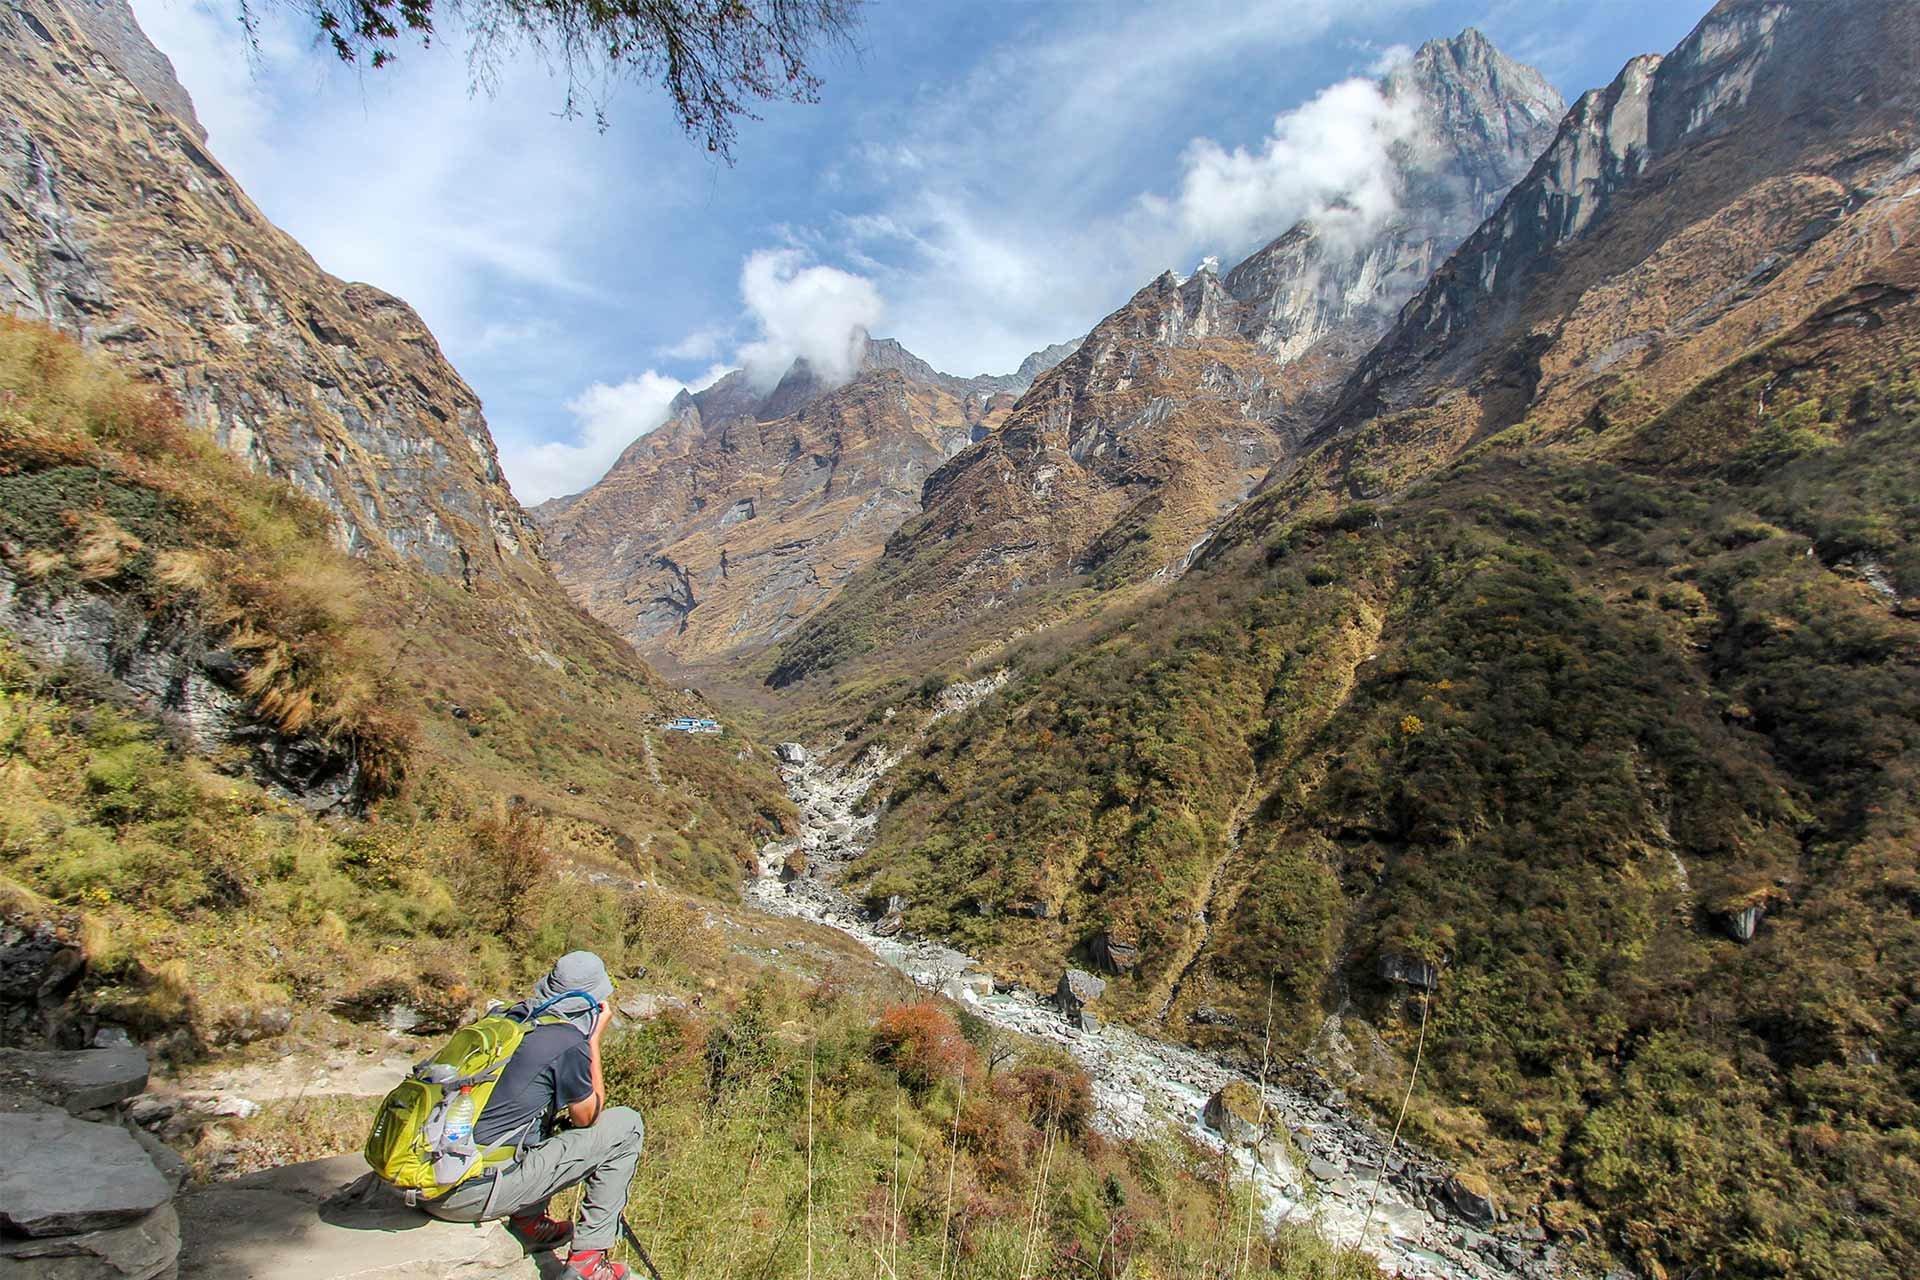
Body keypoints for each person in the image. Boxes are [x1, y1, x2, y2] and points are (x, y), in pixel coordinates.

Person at [423, 951, 645, 1280]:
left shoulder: (508, 1019)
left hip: (433, 1179)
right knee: (626, 1126)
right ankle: (588, 1260)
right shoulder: (567, 1041)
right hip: (471, 1192)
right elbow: (589, 1115)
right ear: (594, 1002)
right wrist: (593, 1040)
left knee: (536, 1120)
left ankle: (529, 1221)